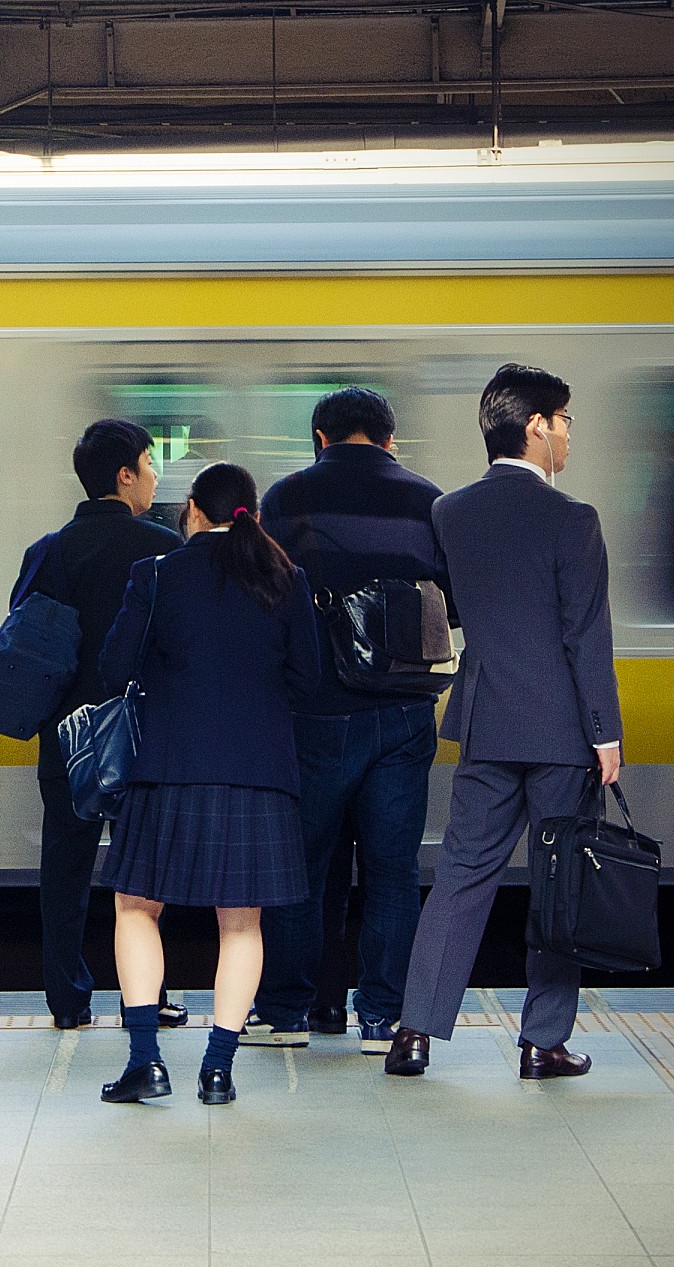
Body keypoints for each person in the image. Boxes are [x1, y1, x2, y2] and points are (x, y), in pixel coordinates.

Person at [387, 364, 621, 1081]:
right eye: (565, 422)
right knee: (559, 884)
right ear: (535, 428)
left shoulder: (450, 512)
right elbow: (586, 636)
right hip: (560, 734)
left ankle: (415, 1032)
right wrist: (605, 734)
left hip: (487, 723)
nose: (569, 437)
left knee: (461, 876)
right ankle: (541, 1041)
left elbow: (455, 609)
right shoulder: (572, 519)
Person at [95, 462, 317, 1106]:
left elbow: (115, 667)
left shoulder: (159, 574)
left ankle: (146, 1062)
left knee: (136, 908)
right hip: (258, 775)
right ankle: (218, 1069)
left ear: (192, 509)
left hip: (167, 768)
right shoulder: (287, 581)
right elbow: (309, 682)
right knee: (241, 925)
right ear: (251, 513)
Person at [250, 386, 447, 1055]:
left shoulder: (286, 498)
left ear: (319, 437)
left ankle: (286, 1011)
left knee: (302, 866)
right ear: (390, 440)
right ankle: (383, 1017)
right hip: (402, 711)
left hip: (316, 713)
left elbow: (263, 601)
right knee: (393, 870)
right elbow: (451, 606)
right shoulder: (429, 501)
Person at [10, 419, 180, 1030]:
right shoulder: (161, 547)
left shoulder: (48, 551)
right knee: (140, 872)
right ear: (124, 476)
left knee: (65, 866)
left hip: (68, 734)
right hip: (143, 731)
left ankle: (68, 1001)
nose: (156, 478)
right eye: (150, 465)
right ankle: (147, 995)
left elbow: (24, 636)